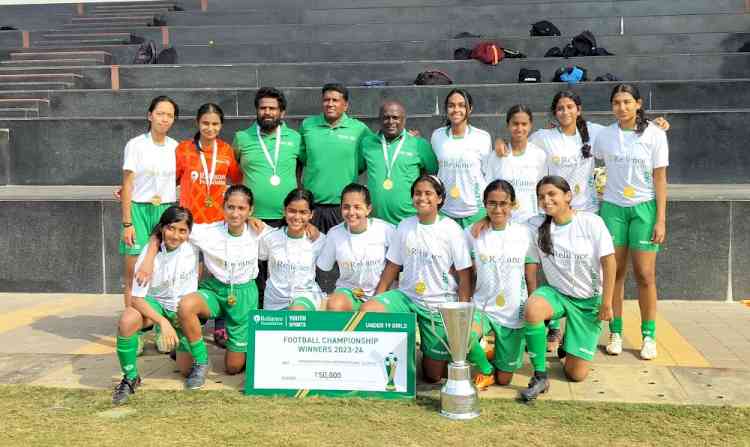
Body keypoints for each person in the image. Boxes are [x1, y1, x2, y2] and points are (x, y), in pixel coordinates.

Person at [361, 175, 480, 383]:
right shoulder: (405, 226)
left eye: (428, 193)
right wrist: (378, 296)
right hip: (407, 298)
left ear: (440, 198)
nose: (422, 198)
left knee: (432, 376)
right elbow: (393, 265)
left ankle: (466, 354)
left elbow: (464, 274)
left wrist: (461, 311)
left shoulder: (451, 230)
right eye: (417, 193)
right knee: (369, 311)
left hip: (438, 305)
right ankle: (381, 371)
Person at [519, 176, 615, 401]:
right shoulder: (534, 226)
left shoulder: (591, 222)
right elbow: (502, 222)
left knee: (576, 374)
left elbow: (610, 263)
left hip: (588, 302)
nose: (546, 200)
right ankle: (540, 376)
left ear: (568, 196)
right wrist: (483, 220)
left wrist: (607, 302)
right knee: (532, 308)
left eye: (552, 194)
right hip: (557, 294)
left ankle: (567, 345)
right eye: (541, 196)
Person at [593, 84, 669, 360]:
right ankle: (615, 331)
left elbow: (660, 178)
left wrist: (660, 219)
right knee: (615, 274)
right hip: (613, 209)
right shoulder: (604, 135)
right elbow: (582, 141)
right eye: (616, 102)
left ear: (638, 104)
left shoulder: (655, 134)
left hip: (644, 209)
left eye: (627, 102)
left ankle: (649, 336)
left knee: (645, 275)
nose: (621, 107)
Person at [168, 185, 271, 388]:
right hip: (215, 290)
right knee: (187, 307)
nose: (235, 213)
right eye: (230, 207)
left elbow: (290, 234)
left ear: (250, 210)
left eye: (242, 209)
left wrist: (311, 230)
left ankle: (245, 347)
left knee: (232, 368)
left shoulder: (259, 231)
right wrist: (149, 257)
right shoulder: (208, 231)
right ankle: (200, 359)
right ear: (223, 208)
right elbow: (167, 228)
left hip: (244, 294)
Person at [112, 206, 198, 405]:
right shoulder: (149, 254)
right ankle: (130, 377)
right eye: (171, 228)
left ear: (189, 233)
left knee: (185, 370)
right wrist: (162, 323)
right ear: (162, 229)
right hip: (157, 306)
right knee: (127, 320)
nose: (175, 235)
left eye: (182, 230)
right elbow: (136, 299)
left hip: (180, 309)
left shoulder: (195, 246)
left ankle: (181, 350)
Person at [175, 103, 242, 349]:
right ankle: (186, 326)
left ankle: (221, 325)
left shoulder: (226, 150)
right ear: (197, 123)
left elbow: (237, 180)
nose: (210, 128)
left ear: (221, 126)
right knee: (189, 275)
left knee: (221, 274)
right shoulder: (183, 150)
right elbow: (167, 176)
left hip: (217, 224)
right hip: (189, 226)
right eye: (205, 123)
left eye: (215, 124)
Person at [465, 180, 539, 390]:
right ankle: (486, 369)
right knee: (465, 337)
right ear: (484, 204)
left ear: (513, 204)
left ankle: (492, 351)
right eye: (492, 203)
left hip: (513, 311)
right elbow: (465, 270)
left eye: (503, 203)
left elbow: (531, 275)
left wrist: (533, 309)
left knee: (505, 379)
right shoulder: (474, 233)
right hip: (483, 307)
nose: (498, 209)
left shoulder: (525, 233)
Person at [233, 87, 304, 305]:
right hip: (254, 220)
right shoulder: (242, 138)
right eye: (263, 108)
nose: (267, 112)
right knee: (254, 275)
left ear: (282, 112)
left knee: (285, 273)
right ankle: (255, 319)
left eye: (272, 108)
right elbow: (236, 171)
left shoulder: (295, 138)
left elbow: (301, 167)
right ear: (256, 110)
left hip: (287, 220)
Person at [119, 96, 179, 308]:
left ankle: (156, 320)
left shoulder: (176, 147)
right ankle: (132, 326)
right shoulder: (135, 145)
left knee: (162, 271)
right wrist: (127, 223)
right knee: (133, 274)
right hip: (139, 211)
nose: (164, 119)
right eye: (160, 113)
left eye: (169, 115)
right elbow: (127, 184)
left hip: (166, 211)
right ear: (150, 115)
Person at [299, 83, 373, 233]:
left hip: (344, 208)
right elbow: (302, 158)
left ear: (345, 105)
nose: (330, 104)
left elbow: (376, 149)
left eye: (335, 100)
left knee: (343, 254)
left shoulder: (360, 129)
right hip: (313, 205)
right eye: (326, 100)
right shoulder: (307, 125)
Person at [358, 99, 438, 225]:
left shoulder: (419, 144)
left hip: (409, 221)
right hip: (376, 223)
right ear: (379, 119)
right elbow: (358, 168)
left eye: (395, 117)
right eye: (386, 118)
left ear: (404, 120)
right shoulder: (367, 143)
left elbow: (433, 174)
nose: (391, 122)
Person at [318, 183, 395, 311]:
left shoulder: (386, 230)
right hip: (349, 292)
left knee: (371, 310)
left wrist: (380, 293)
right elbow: (324, 266)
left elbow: (396, 265)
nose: (351, 212)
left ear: (368, 209)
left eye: (357, 207)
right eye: (346, 207)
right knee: (335, 305)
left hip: (381, 293)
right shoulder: (334, 233)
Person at [430, 89, 492, 228]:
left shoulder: (482, 137)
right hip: (445, 210)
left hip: (475, 211)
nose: (456, 109)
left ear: (470, 109)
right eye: (451, 105)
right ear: (446, 109)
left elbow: (487, 173)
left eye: (461, 105)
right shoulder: (437, 136)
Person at [259, 188, 327, 311]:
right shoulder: (270, 237)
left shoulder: (319, 239)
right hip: (274, 300)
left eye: (303, 212)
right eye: (292, 211)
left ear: (311, 214)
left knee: (296, 313)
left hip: (305, 297)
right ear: (284, 211)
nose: (297, 217)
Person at [485, 105, 547, 223]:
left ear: (530, 126)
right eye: (515, 124)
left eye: (524, 124)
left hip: (532, 220)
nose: (519, 128)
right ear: (508, 125)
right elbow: (488, 188)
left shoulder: (539, 155)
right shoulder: (496, 155)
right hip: (502, 220)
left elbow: (542, 189)